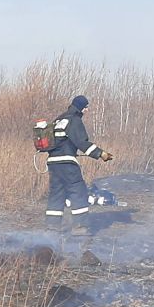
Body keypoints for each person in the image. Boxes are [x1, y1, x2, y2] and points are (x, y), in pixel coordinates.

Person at [44, 95, 113, 235]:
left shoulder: (58, 119)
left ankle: (51, 228)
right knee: (78, 191)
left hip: (53, 163)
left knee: (57, 194)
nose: (86, 110)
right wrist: (101, 154)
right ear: (80, 107)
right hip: (67, 163)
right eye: (86, 107)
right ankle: (80, 227)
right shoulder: (74, 121)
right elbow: (82, 143)